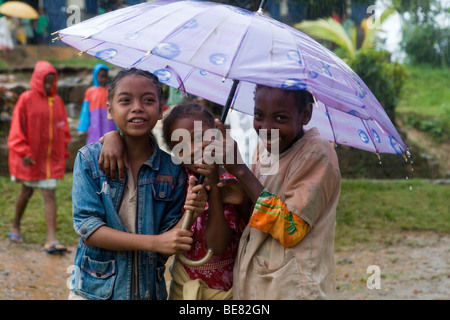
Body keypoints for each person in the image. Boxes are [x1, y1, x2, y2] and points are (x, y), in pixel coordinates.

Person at [69, 68, 207, 300]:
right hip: (94, 292)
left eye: (148, 100)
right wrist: (153, 243)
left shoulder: (173, 170)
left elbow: (172, 237)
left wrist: (191, 211)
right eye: (125, 100)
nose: (137, 107)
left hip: (147, 292)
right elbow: (88, 228)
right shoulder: (90, 160)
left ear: (161, 109)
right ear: (110, 110)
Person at [99, 103, 249, 300]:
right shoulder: (174, 179)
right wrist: (112, 137)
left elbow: (217, 246)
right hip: (184, 289)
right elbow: (137, 149)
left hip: (228, 292)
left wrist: (214, 191)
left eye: (198, 137)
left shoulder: (233, 183)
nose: (193, 149)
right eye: (180, 146)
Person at [212, 85, 341, 299]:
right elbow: (257, 218)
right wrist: (240, 196)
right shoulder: (263, 149)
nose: (266, 127)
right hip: (256, 284)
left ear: (306, 114)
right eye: (259, 115)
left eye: (280, 118)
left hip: (293, 288)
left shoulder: (318, 153)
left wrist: (242, 171)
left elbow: (290, 230)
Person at [7, 60, 71, 254]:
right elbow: (17, 128)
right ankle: (15, 225)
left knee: (49, 192)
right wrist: (23, 151)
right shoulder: (26, 99)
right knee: (26, 191)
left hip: (50, 159)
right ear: (37, 80)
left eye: (51, 81)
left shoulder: (57, 102)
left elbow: (63, 128)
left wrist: (64, 149)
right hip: (32, 157)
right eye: (45, 81)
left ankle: (51, 239)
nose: (48, 85)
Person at [77, 63, 116, 145]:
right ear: (95, 76)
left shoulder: (111, 90)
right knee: (94, 143)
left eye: (105, 76)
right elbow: (85, 110)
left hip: (108, 122)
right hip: (94, 122)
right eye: (101, 76)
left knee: (109, 140)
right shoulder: (90, 91)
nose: (103, 79)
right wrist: (83, 127)